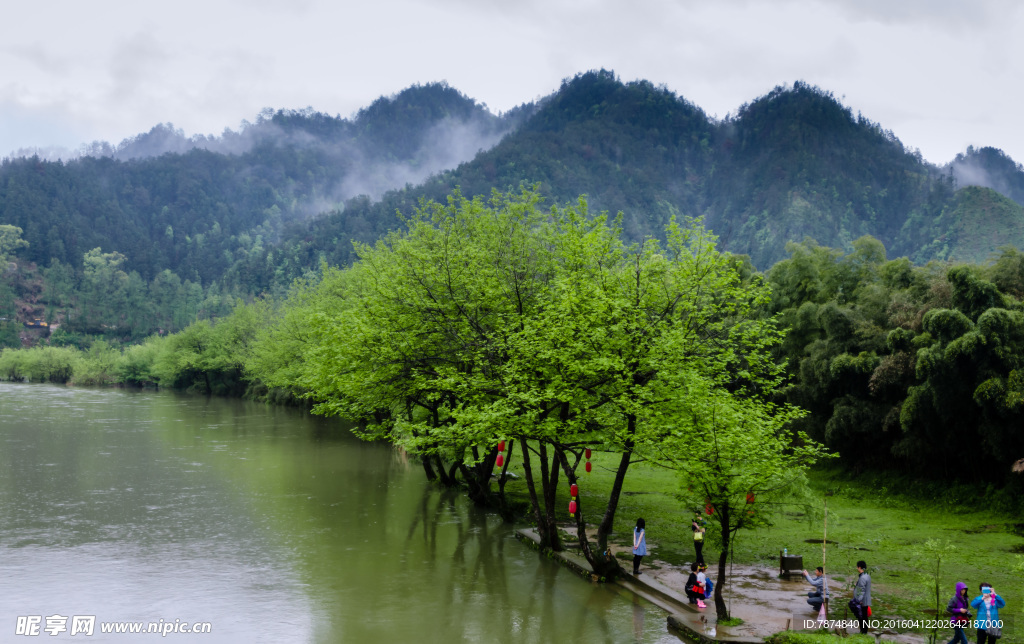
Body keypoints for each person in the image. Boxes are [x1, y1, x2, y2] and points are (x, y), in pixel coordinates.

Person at [852, 560, 872, 633]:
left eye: (857, 567)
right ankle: (864, 631)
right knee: (864, 616)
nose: (857, 569)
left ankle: (863, 631)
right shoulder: (867, 575)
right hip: (865, 599)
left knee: (862, 616)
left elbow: (862, 589)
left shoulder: (863, 577)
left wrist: (859, 600)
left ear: (859, 567)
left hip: (862, 600)